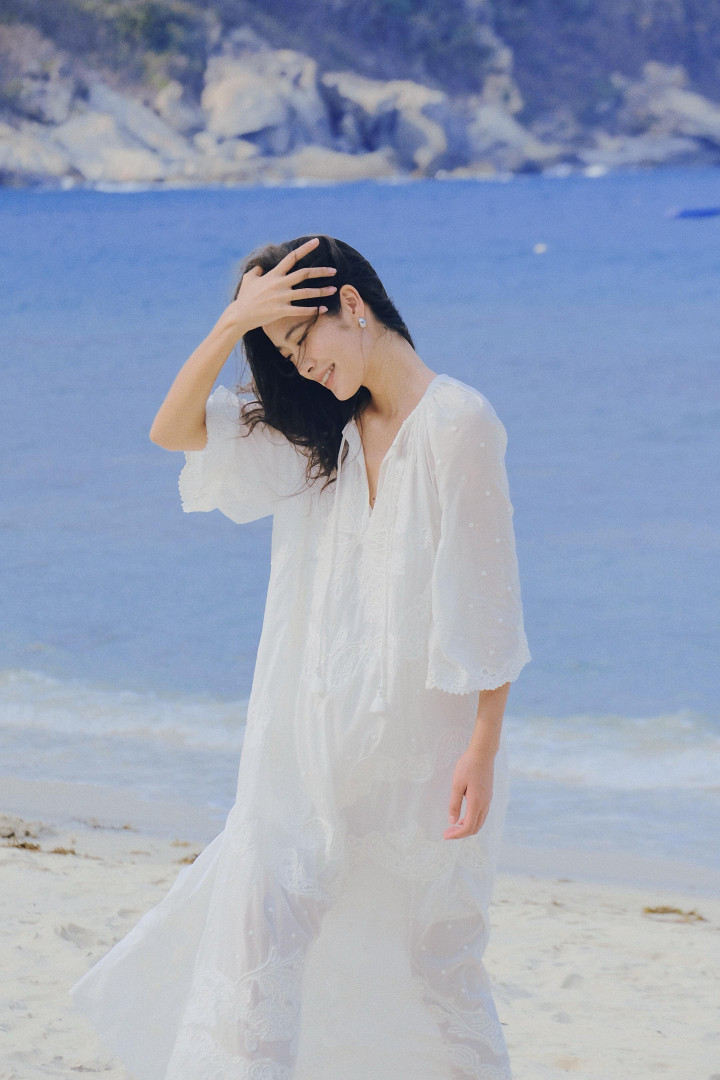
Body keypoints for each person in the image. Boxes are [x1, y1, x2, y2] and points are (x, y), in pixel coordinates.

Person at [69, 234, 532, 1080]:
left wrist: (484, 748)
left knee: (433, 968)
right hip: (302, 754)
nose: (299, 366)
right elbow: (172, 431)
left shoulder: (458, 422)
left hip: (420, 763)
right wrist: (233, 324)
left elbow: (489, 599)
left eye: (298, 340)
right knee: (256, 949)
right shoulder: (321, 436)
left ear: (351, 304)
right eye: (280, 354)